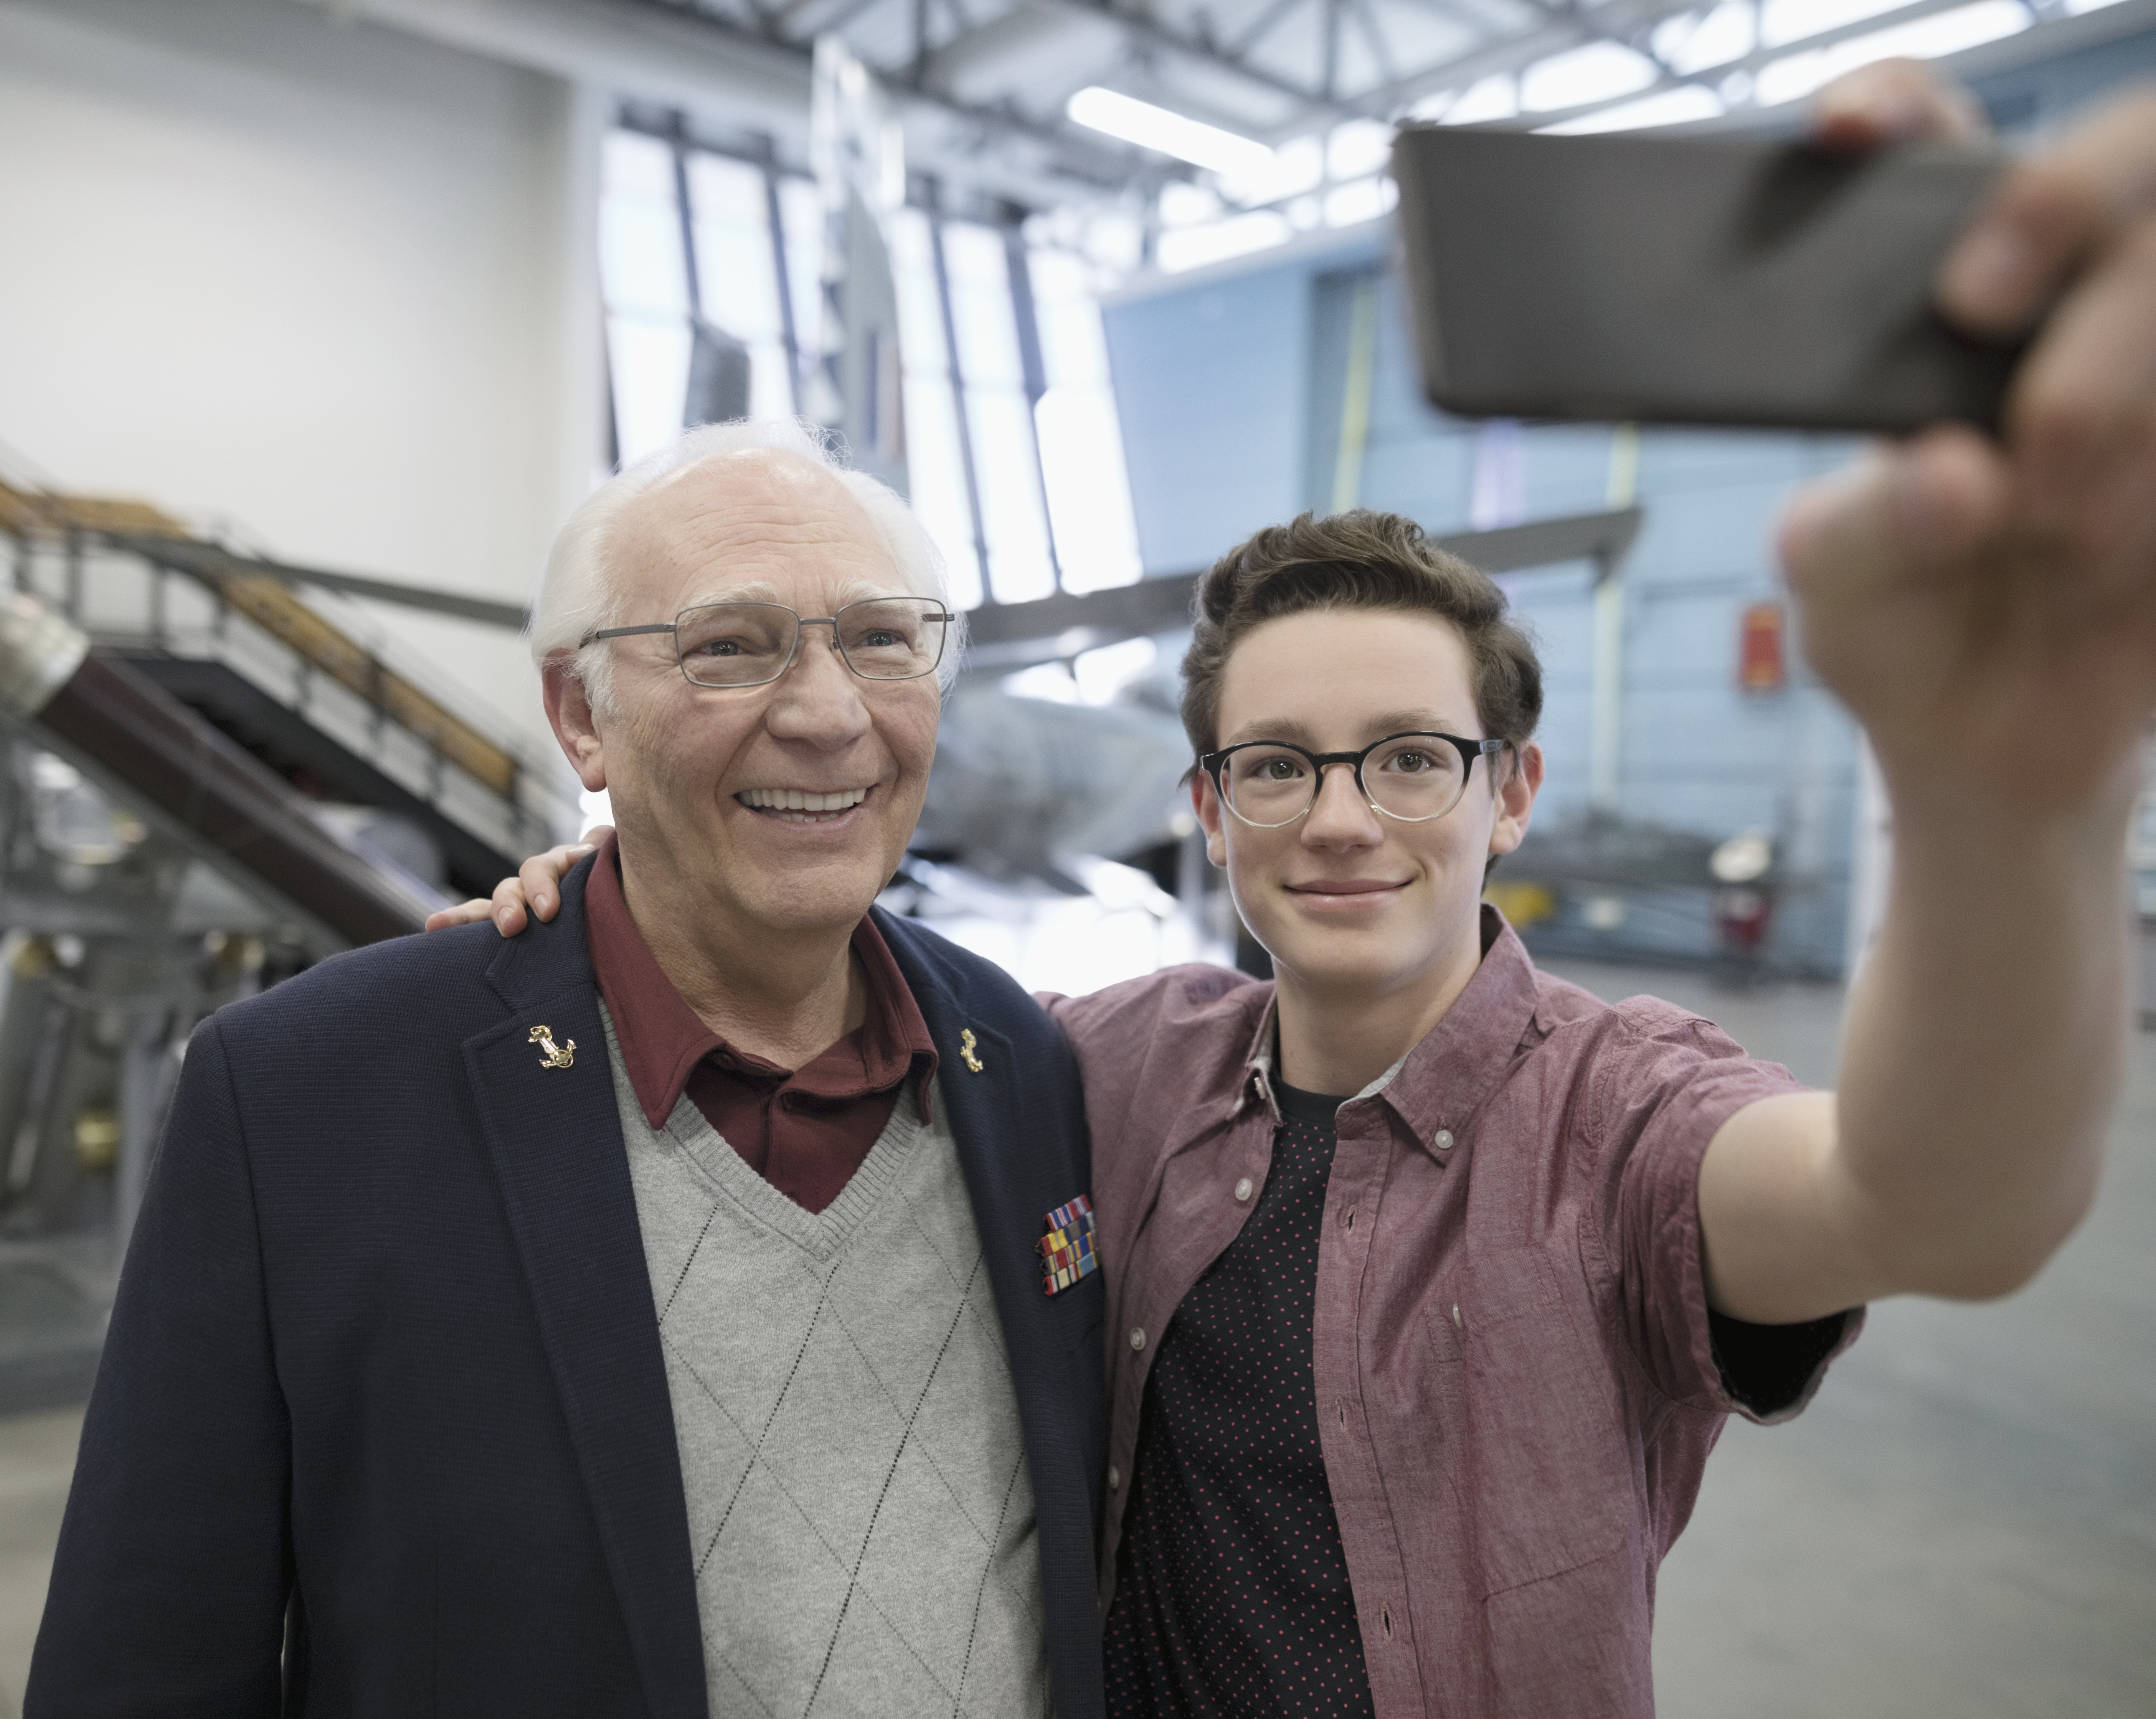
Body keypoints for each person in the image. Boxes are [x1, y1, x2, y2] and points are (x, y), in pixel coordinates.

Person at [433, 61, 2156, 1716]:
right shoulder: (1113, 1067)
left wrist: (2009, 802)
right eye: (1280, 764)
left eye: (1412, 756)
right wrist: (622, 890)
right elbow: (821, 1014)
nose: (1344, 819)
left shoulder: (1619, 1118)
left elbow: (1933, 1201)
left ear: (1511, 795)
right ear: (1213, 805)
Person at [25, 421, 1109, 1717]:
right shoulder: (304, 1102)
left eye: (881, 638)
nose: (829, 714)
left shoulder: (1025, 1063)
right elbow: (145, 1663)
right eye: (728, 646)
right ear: (579, 717)